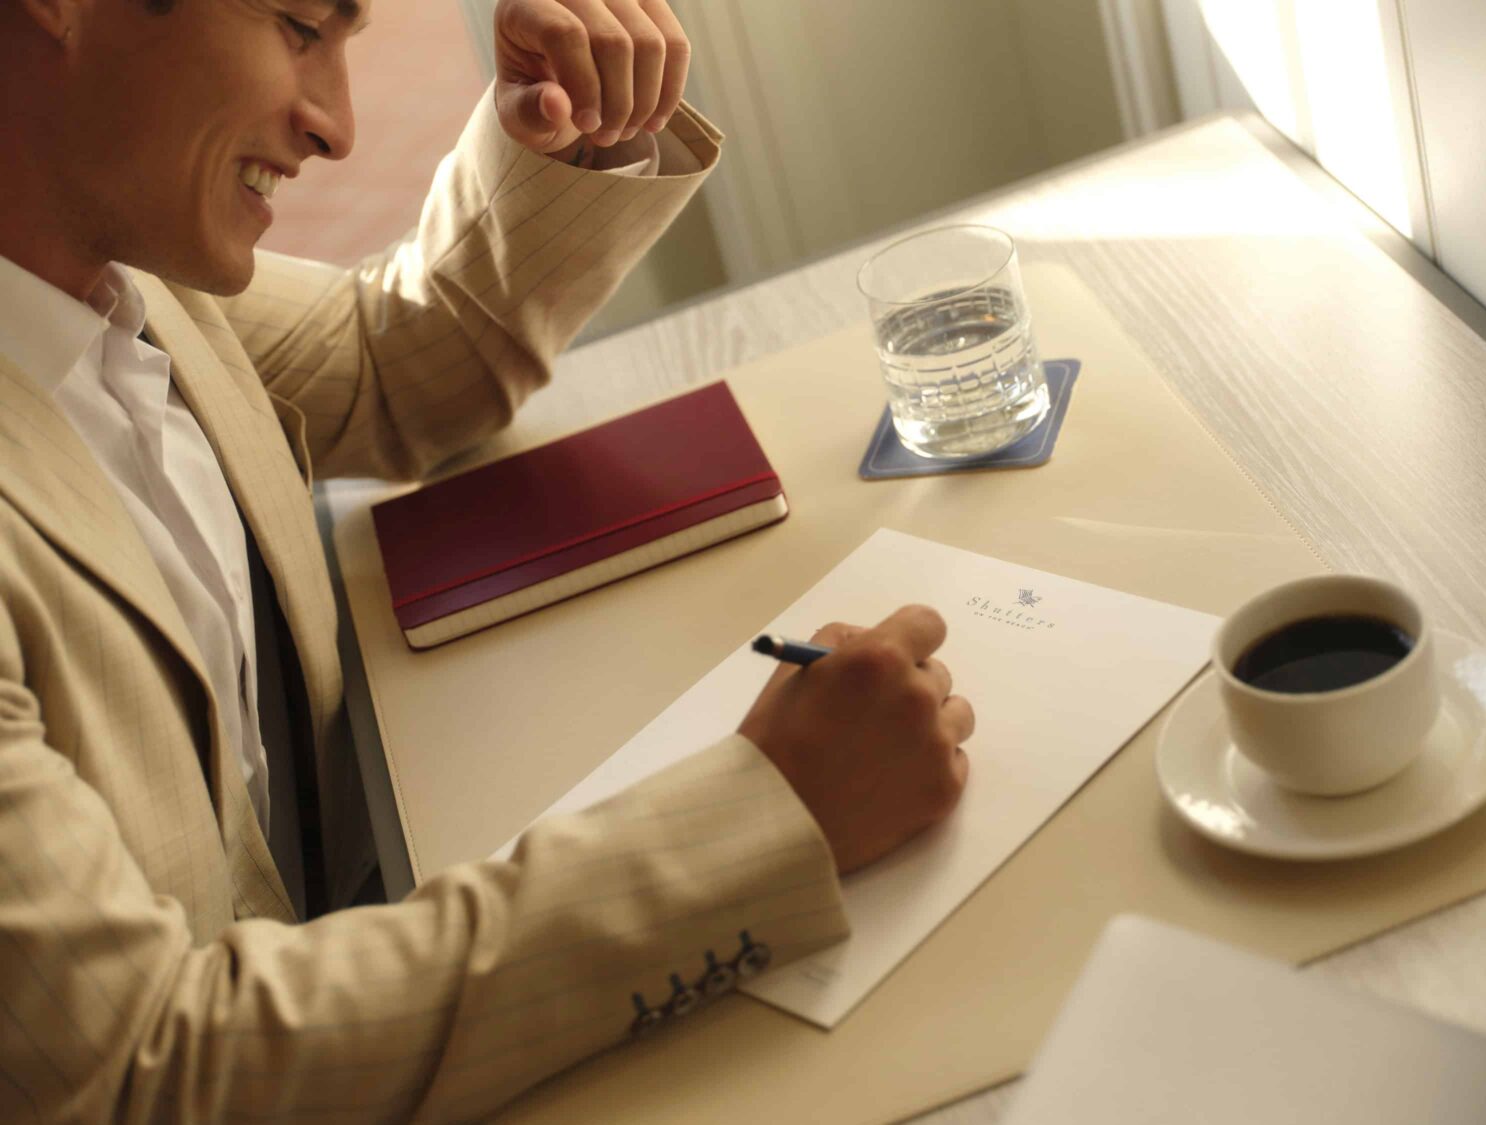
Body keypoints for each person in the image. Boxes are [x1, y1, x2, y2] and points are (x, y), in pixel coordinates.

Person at [0, 0, 975, 1118]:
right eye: (299, 24)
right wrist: (767, 820)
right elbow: (143, 1072)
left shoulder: (111, 263)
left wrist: (580, 132)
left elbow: (389, 368)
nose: (337, 126)